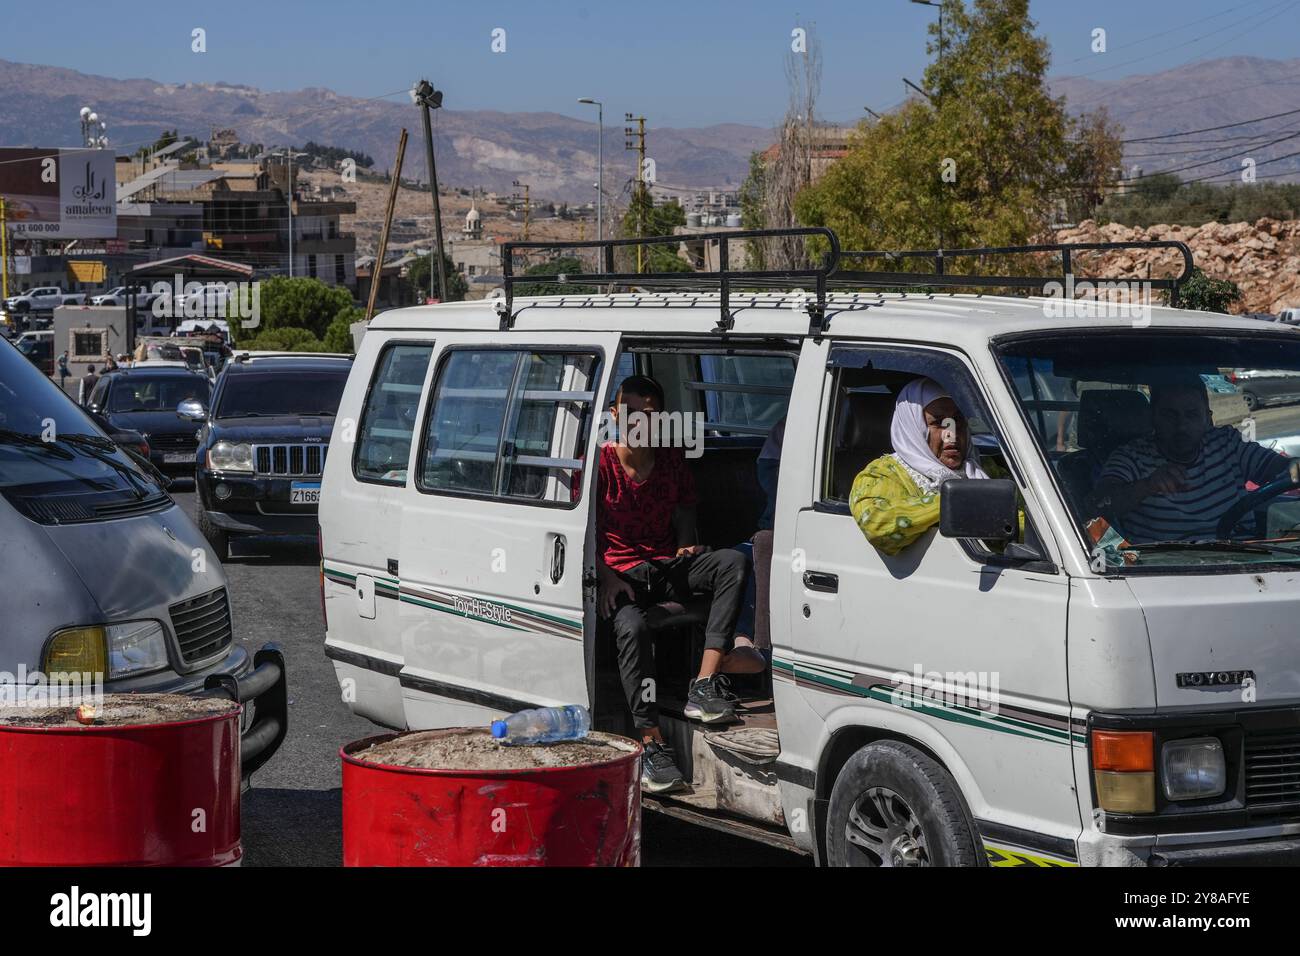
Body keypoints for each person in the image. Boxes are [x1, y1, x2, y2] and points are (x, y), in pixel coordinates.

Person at [597, 375, 748, 793]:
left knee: (732, 562)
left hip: (664, 568)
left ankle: (703, 682)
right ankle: (650, 742)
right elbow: (579, 529)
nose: (640, 423)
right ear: (614, 413)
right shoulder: (600, 464)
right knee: (633, 627)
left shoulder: (670, 460)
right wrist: (605, 576)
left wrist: (685, 547)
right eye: (630, 413)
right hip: (620, 577)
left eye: (650, 415)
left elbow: (684, 513)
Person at [1089, 378, 1291, 543]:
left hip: (1248, 562)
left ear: (1207, 418)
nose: (1182, 426)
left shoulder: (1227, 443)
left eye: (1192, 415)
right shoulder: (1131, 457)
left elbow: (1281, 470)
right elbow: (1100, 504)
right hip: (1166, 574)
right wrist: (1147, 486)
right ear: (1152, 417)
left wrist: (1294, 467)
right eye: (1170, 415)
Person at [849, 377, 989, 554]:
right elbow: (878, 526)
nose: (951, 434)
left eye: (958, 421)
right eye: (939, 423)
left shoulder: (983, 469)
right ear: (914, 427)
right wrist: (957, 503)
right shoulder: (881, 474)